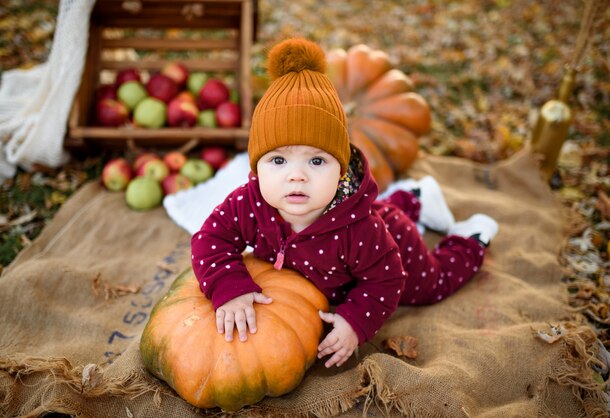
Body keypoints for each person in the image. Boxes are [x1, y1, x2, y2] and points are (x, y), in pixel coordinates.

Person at [190, 38, 498, 368]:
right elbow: (210, 239)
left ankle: (471, 237)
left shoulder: (363, 231)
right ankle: (415, 198)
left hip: (394, 238)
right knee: (385, 209)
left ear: (341, 169)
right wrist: (229, 285)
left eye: (317, 161)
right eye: (278, 161)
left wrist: (355, 321)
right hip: (370, 219)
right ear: (256, 166)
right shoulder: (248, 204)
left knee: (430, 286)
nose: (297, 176)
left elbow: (387, 280)